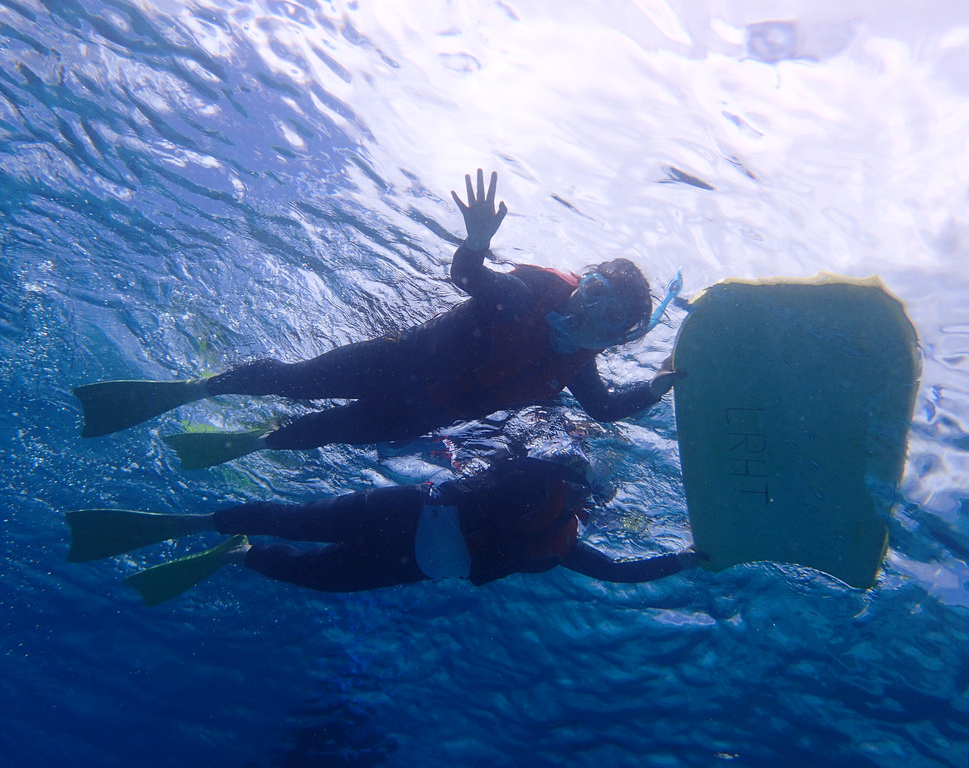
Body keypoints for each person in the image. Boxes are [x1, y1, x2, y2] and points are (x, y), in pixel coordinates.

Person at [73, 169, 680, 469]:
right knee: (292, 380)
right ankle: (197, 389)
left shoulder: (577, 367)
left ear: (616, 338)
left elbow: (602, 409)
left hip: (420, 414)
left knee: (320, 434)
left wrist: (664, 381)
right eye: (594, 292)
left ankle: (254, 440)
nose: (589, 313)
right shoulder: (529, 295)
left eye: (609, 320)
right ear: (584, 280)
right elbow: (470, 279)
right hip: (392, 362)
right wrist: (473, 241)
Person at [65, 456, 702, 606]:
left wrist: (693, 558)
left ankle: (238, 554)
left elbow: (621, 572)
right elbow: (508, 465)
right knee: (299, 520)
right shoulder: (539, 484)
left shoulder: (564, 541)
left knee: (319, 578)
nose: (585, 505)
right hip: (407, 514)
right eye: (587, 493)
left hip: (416, 565)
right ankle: (203, 523)